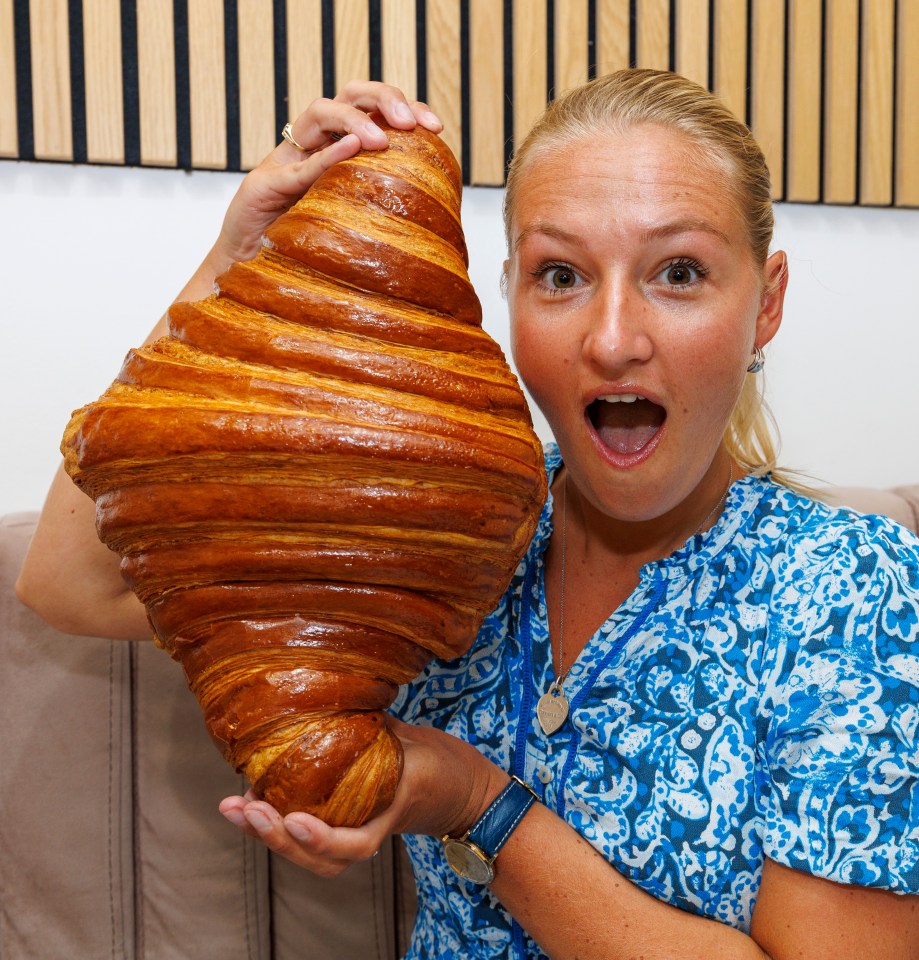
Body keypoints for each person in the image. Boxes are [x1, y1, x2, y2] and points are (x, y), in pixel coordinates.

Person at [17, 70, 919, 958]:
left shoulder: (853, 590)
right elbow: (65, 582)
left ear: (764, 304)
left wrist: (474, 802)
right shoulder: (453, 524)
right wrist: (236, 263)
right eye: (559, 274)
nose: (611, 339)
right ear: (508, 300)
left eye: (677, 273)